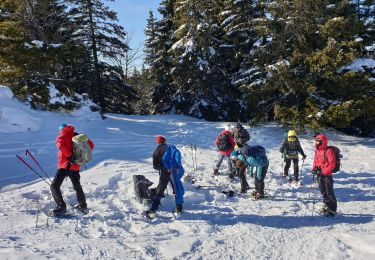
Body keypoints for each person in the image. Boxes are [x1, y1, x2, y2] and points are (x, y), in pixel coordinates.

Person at [50, 123, 94, 214]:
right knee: (77, 185)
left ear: (61, 130)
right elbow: (91, 145)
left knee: (54, 186)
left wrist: (69, 156)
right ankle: (83, 205)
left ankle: (61, 206)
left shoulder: (62, 136)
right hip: (76, 166)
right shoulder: (77, 136)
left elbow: (60, 146)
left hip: (65, 165)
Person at [144, 135, 185, 218]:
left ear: (157, 142)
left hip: (165, 172)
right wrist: (177, 166)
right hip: (174, 170)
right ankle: (179, 208)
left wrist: (165, 168)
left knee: (161, 188)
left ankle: (154, 208)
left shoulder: (156, 151)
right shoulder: (171, 147)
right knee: (177, 187)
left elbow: (155, 166)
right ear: (165, 141)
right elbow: (177, 155)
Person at [311, 134, 337, 217]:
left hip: (327, 175)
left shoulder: (328, 151)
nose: (316, 142)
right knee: (323, 191)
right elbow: (315, 161)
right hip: (319, 174)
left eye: (318, 141)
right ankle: (327, 206)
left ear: (322, 141)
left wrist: (324, 172)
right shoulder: (317, 150)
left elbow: (332, 164)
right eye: (316, 141)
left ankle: (332, 210)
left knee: (329, 192)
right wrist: (314, 168)